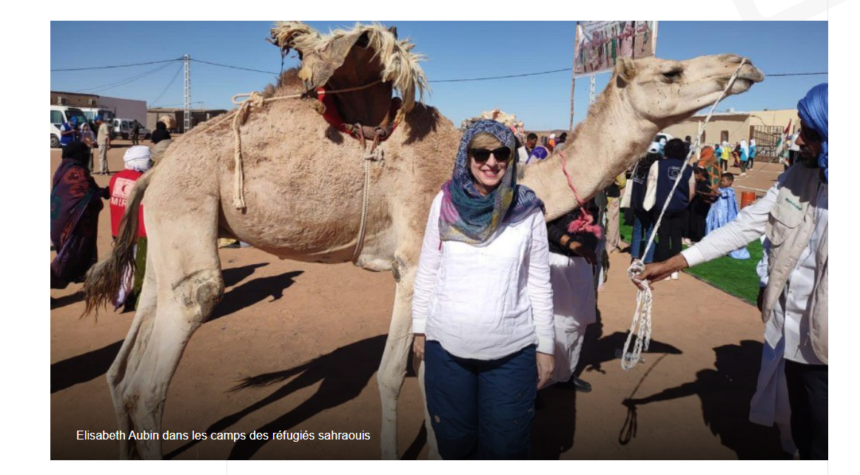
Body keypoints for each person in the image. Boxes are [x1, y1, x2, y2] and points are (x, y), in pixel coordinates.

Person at [636, 83, 828, 460]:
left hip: (834, 345)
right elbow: (743, 227)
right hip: (791, 334)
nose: (800, 140)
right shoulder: (795, 179)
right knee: (804, 429)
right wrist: (674, 263)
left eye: (809, 132)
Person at [412, 120, 554, 460]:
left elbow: (538, 281)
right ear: (467, 155)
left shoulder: (527, 210)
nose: (491, 162)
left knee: (505, 447)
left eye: (500, 153)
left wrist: (546, 346)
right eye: (481, 152)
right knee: (454, 443)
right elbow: (428, 267)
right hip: (447, 348)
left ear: (511, 157)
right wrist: (419, 328)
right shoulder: (444, 203)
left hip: (511, 351)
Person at [545, 207, 598, 393]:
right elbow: (545, 223)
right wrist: (571, 243)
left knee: (578, 321)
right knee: (553, 322)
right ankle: (540, 380)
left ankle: (565, 374)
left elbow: (595, 222)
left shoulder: (593, 192)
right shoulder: (555, 186)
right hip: (556, 262)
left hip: (582, 264)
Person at [51, 142, 110, 291]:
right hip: (72, 225)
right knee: (67, 259)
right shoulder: (77, 171)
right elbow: (85, 194)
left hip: (61, 221)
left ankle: (87, 280)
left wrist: (101, 192)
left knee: (70, 256)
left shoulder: (64, 168)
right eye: (85, 154)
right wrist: (103, 193)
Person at [109, 146, 153, 311]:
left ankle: (118, 295)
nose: (150, 163)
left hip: (117, 230)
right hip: (137, 232)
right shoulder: (143, 181)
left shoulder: (115, 178)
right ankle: (126, 297)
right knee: (135, 268)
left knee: (122, 264)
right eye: (148, 160)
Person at [643, 138, 695, 279]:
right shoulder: (688, 168)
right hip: (680, 207)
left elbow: (650, 185)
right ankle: (674, 270)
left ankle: (663, 269)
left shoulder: (658, 164)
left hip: (661, 207)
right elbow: (692, 191)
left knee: (664, 237)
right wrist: (684, 203)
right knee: (676, 237)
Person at [704, 172, 749, 259]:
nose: (722, 183)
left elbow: (723, 195)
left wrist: (715, 191)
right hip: (717, 214)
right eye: (722, 181)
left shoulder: (730, 191)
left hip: (726, 216)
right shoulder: (721, 189)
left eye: (724, 181)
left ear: (730, 182)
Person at [629, 145, 660, 263]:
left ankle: (635, 256)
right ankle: (648, 258)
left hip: (637, 202)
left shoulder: (639, 165)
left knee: (637, 229)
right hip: (649, 203)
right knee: (650, 231)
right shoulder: (656, 168)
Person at [604, 172, 627, 253]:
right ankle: (611, 246)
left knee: (604, 220)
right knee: (612, 221)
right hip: (612, 194)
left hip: (603, 194)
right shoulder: (618, 165)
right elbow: (622, 182)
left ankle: (607, 244)